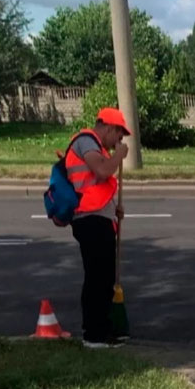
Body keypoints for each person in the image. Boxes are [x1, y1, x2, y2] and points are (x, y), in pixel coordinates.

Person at [64, 107, 129, 348]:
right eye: (119, 136)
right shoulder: (85, 142)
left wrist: (113, 210)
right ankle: (93, 334)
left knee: (104, 277)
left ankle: (102, 329)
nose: (118, 142)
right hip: (88, 220)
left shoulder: (98, 147)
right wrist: (119, 155)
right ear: (109, 127)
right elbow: (101, 171)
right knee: (96, 277)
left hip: (99, 218)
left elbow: (98, 186)